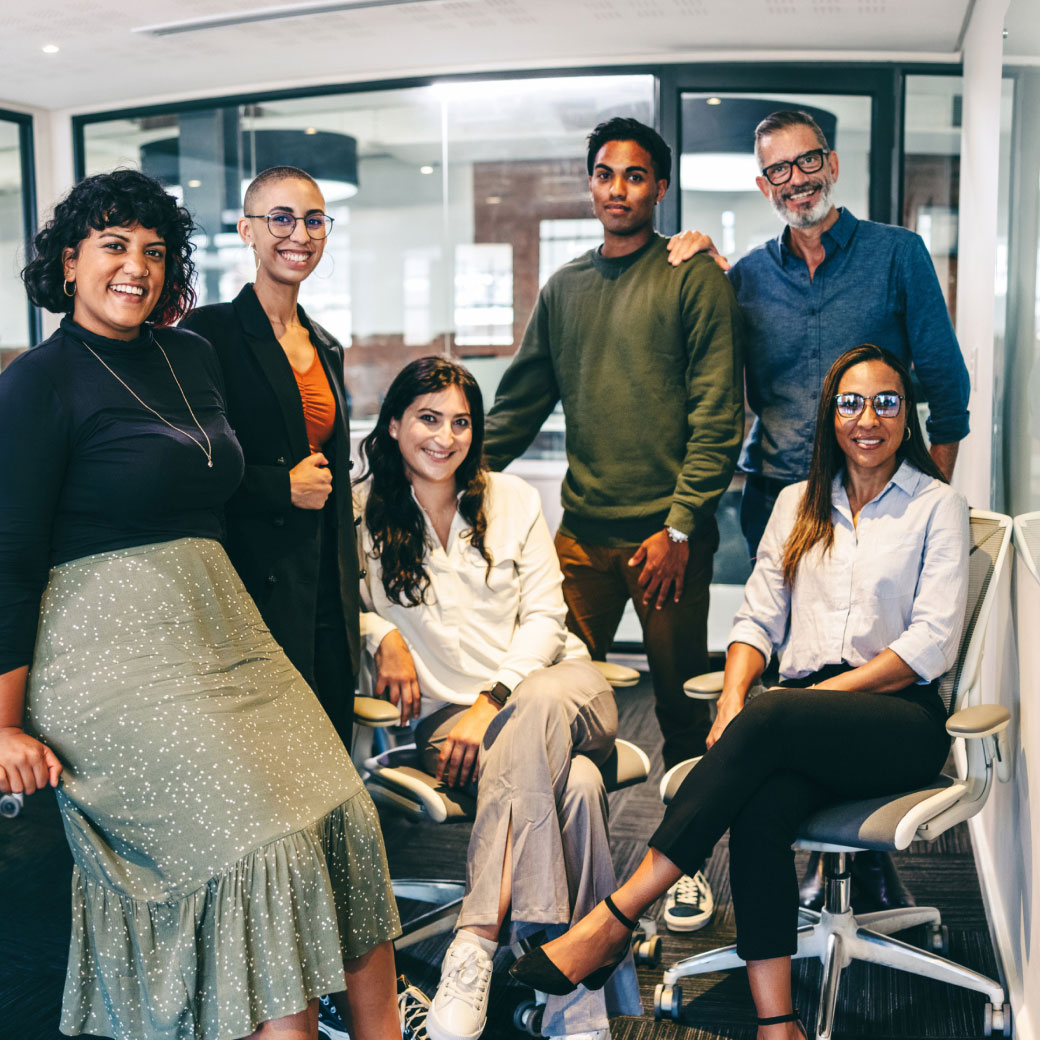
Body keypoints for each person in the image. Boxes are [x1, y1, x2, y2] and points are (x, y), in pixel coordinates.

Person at [0, 169, 401, 1040]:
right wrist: (2, 724)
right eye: (112, 246)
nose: (134, 267)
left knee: (344, 811)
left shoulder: (191, 355)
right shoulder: (39, 380)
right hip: (104, 652)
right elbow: (10, 557)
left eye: (153, 250)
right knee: (261, 845)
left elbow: (219, 481)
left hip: (222, 633)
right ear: (69, 263)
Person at [510, 344, 969, 1040]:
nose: (867, 418)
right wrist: (730, 704)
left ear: (908, 416)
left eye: (886, 402)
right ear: (829, 416)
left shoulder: (938, 506)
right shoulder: (796, 504)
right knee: (760, 807)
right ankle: (777, 1022)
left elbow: (927, 646)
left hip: (898, 719)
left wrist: (799, 703)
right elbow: (756, 618)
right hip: (800, 717)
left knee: (777, 710)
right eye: (850, 402)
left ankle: (615, 917)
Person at [668, 108, 971, 912]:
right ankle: (810, 835)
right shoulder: (747, 279)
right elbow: (719, 378)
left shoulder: (895, 255)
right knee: (793, 652)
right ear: (761, 184)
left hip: (886, 489)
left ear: (831, 165)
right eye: (777, 171)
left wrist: (920, 498)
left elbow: (946, 388)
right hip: (782, 496)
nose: (793, 181)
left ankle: (861, 857)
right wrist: (701, 259)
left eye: (806, 164)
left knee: (859, 659)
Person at [482, 116, 744, 934]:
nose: (618, 189)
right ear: (590, 184)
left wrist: (678, 525)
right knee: (553, 698)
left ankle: (688, 868)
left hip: (667, 539)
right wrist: (442, 467)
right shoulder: (564, 289)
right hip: (581, 534)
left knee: (676, 709)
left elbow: (717, 414)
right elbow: (519, 406)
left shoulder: (692, 278)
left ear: (659, 188)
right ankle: (559, 863)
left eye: (635, 176)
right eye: (605, 174)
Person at [355, 357, 641, 1040]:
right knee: (571, 787)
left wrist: (494, 700)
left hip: (560, 690)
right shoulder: (362, 512)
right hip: (450, 725)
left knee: (537, 713)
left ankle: (476, 939)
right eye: (428, 418)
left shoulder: (512, 498)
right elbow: (333, 609)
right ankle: (575, 996)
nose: (445, 437)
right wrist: (380, 633)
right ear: (394, 425)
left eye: (460, 422)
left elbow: (547, 620)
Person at [180, 165, 358, 746]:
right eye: (280, 218)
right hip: (251, 583)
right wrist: (280, 487)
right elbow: (185, 466)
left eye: (313, 220)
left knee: (329, 748)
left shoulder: (325, 343)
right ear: (247, 231)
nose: (299, 235)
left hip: (324, 582)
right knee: (272, 759)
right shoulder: (207, 334)